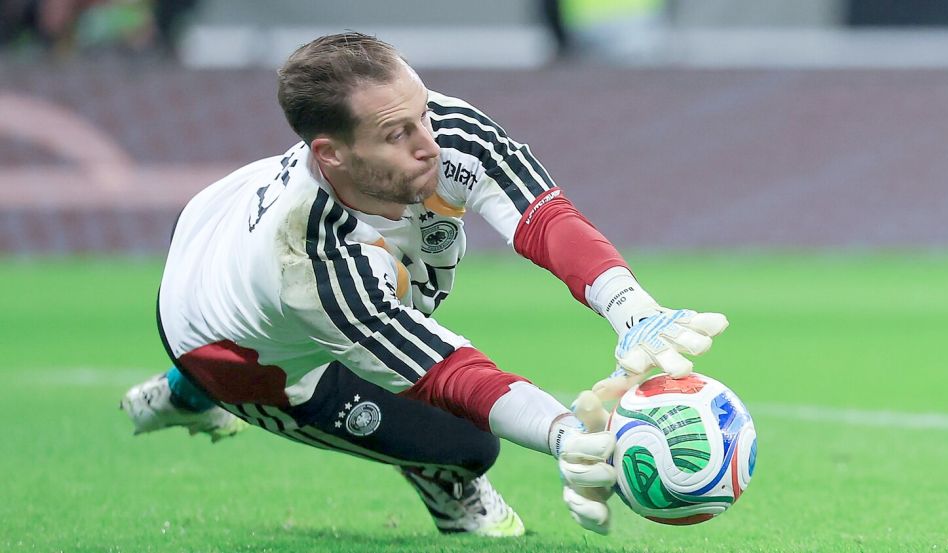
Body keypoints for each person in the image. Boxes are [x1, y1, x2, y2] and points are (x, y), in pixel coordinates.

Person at [121, 32, 728, 537]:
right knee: (469, 442)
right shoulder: (309, 263)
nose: (429, 144)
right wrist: (564, 435)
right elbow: (441, 371)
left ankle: (183, 393)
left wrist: (633, 310)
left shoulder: (439, 127)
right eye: (396, 134)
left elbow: (542, 216)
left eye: (421, 113)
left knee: (407, 291)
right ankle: (197, 391)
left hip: (219, 222)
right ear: (330, 155)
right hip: (224, 347)